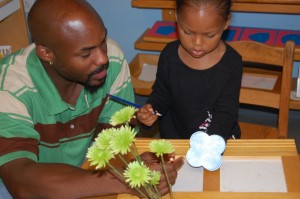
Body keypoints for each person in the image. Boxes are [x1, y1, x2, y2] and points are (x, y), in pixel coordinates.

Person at [0, 0, 184, 198]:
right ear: (46, 54)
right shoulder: (10, 89)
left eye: (102, 41)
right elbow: (21, 181)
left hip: (88, 175)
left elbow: (114, 140)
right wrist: (126, 179)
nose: (102, 59)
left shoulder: (111, 60)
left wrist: (130, 167)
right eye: (86, 53)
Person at [137, 0, 243, 140]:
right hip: (176, 139)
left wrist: (209, 144)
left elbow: (226, 111)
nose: (197, 43)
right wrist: (151, 111)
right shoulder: (169, 55)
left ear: (226, 23)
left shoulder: (232, 62)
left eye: (209, 35)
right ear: (176, 17)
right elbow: (162, 94)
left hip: (217, 139)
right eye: (187, 32)